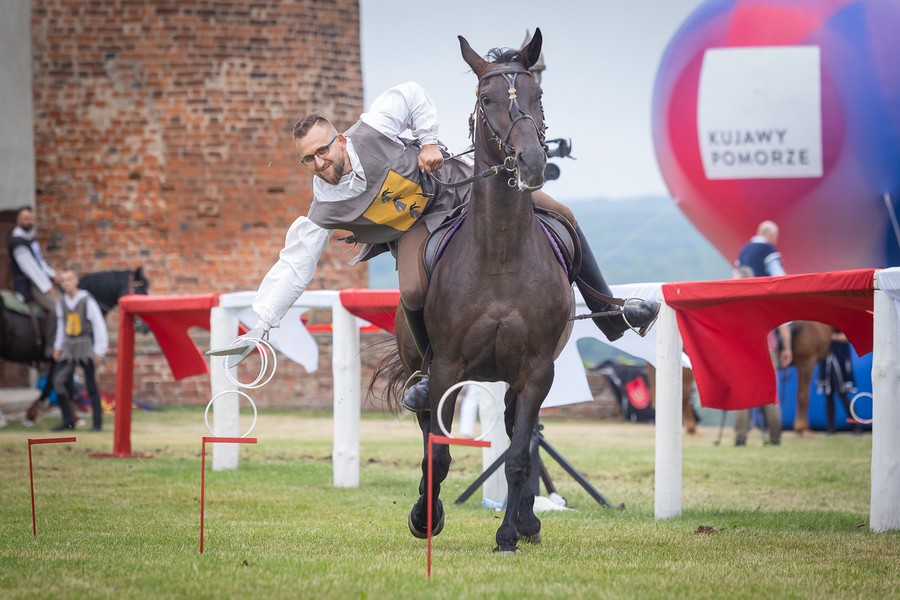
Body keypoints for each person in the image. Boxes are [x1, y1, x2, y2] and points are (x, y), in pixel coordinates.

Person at [238, 81, 659, 412]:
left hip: (459, 190)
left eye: (322, 151)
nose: (319, 164)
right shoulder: (322, 206)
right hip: (417, 226)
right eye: (307, 159)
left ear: (340, 141)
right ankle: (427, 370)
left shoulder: (372, 128)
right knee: (413, 291)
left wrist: (428, 141)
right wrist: (263, 322)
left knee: (563, 211)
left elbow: (411, 93)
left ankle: (608, 310)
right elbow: (294, 265)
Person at [733, 220, 790, 446]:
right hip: (767, 345)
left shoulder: (743, 250)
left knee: (742, 391)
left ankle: (740, 438)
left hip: (742, 346)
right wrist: (786, 347)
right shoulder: (769, 249)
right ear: (771, 235)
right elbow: (781, 276)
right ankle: (775, 437)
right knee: (769, 391)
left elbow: (735, 272)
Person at [50, 270, 108, 431]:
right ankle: (68, 420)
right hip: (69, 346)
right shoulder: (61, 302)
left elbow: (98, 325)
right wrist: (58, 346)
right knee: (59, 381)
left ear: (75, 281)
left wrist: (99, 351)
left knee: (90, 385)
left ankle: (97, 423)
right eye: (63, 281)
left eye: (69, 280)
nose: (66, 283)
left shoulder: (86, 300)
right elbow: (62, 326)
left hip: (84, 345)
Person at [8, 206, 59, 313]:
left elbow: (39, 261)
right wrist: (48, 287)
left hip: (40, 280)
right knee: (57, 308)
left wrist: (53, 274)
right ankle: (52, 330)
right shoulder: (17, 242)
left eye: (31, 218)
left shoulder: (31, 239)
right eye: (26, 218)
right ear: (18, 220)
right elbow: (30, 268)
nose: (29, 221)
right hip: (29, 284)